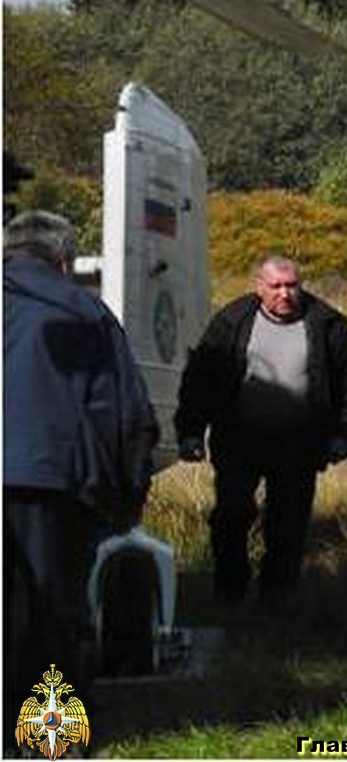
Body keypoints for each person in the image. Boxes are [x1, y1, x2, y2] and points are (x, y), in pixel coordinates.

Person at [3, 211, 158, 716]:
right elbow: (126, 413)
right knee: (53, 611)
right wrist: (129, 497)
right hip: (52, 482)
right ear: (65, 260)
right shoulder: (84, 312)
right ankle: (51, 739)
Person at [175, 254, 347, 606]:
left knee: (288, 524)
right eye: (275, 286)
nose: (285, 294)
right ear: (259, 287)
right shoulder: (231, 321)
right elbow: (199, 379)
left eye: (292, 286)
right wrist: (191, 432)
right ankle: (229, 590)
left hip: (299, 442)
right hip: (239, 438)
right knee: (230, 516)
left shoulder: (329, 326)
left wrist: (343, 435)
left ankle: (276, 599)